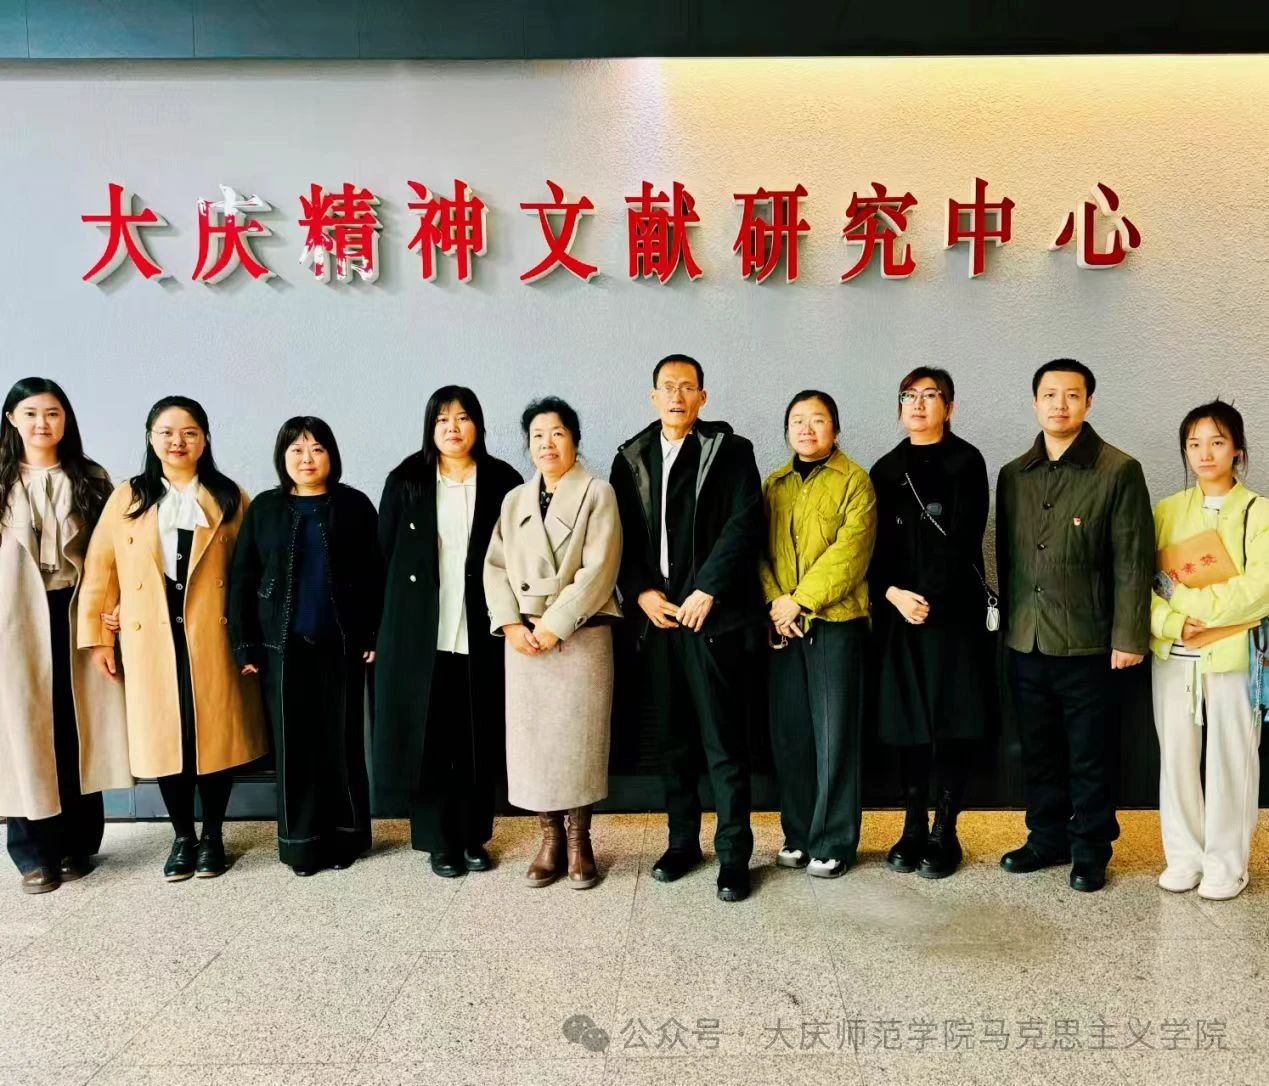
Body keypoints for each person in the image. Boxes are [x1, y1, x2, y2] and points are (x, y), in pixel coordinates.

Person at [78, 396, 266, 881]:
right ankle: (183, 836)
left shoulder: (228, 496)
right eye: (166, 432)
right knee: (166, 737)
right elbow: (102, 569)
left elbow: (250, 572)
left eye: (189, 432)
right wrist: (100, 637)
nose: (177, 442)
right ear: (150, 438)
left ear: (205, 439)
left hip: (212, 635)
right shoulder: (129, 496)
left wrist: (252, 637)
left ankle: (214, 835)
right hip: (149, 639)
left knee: (215, 737)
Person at [610, 354, 765, 903]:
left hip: (712, 618)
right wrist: (641, 592)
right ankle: (682, 844)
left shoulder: (731, 452)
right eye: (667, 387)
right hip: (659, 622)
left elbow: (745, 524)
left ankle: (733, 855)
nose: (677, 396)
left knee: (723, 742)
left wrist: (708, 589)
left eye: (688, 387)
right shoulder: (631, 458)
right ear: (653, 396)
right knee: (673, 742)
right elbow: (619, 536)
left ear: (703, 396)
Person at [995, 359, 1153, 893]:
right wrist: (1010, 629)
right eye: (1049, 394)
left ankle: (1090, 849)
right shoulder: (1014, 474)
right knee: (1038, 751)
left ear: (1089, 402)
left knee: (1091, 754)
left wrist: (1129, 637)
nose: (1059, 404)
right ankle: (1046, 838)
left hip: (1091, 643)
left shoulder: (1118, 470)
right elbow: (1010, 560)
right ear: (1035, 402)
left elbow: (1133, 561)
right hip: (1027, 639)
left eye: (1071, 394)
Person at [374, 387, 522, 878]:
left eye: (462, 418)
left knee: (476, 736)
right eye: (442, 419)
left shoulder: (503, 480)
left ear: (478, 424)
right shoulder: (407, 479)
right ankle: (438, 841)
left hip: (483, 627)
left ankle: (474, 836)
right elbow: (383, 557)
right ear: (429, 427)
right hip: (421, 633)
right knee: (430, 738)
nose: (452, 428)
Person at [229, 417, 383, 876]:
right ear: (283, 458)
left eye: (316, 449)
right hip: (283, 648)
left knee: (342, 744)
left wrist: (372, 634)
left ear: (331, 455)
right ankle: (301, 845)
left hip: (342, 644)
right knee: (294, 748)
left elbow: (376, 574)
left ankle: (346, 839)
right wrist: (246, 646)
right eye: (296, 450)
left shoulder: (354, 505)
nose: (307, 459)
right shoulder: (265, 508)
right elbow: (243, 578)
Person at [484, 397, 622, 888]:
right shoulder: (514, 500)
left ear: (575, 440)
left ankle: (580, 840)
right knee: (535, 744)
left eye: (557, 433)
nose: (547, 444)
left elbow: (600, 569)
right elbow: (495, 567)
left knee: (578, 741)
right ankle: (550, 839)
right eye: (537, 436)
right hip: (525, 640)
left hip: (580, 634)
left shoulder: (598, 493)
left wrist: (555, 623)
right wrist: (511, 625)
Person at [0, 378, 130, 894]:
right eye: (31, 413)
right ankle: (33, 853)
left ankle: (77, 843)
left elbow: (115, 553)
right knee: (24, 730)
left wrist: (114, 607)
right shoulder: (2, 478)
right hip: (14, 617)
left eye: (52, 413)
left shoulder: (91, 478)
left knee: (76, 726)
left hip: (75, 611)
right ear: (12, 418)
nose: (42, 423)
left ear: (66, 419)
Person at [869, 368, 995, 880]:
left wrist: (931, 600)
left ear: (950, 406)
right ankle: (912, 824)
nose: (918, 405)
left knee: (951, 722)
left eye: (929, 396)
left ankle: (946, 829)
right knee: (908, 724)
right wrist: (894, 594)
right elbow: (873, 548)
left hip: (952, 617)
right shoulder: (884, 469)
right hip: (900, 615)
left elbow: (965, 537)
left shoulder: (968, 461)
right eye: (909, 396)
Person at [1150, 400, 1269, 900]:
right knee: (1176, 758)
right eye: (1194, 444)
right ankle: (1184, 856)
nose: (1205, 453)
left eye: (1217, 442)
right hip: (1176, 654)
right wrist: (1173, 622)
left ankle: (1226, 864)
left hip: (1233, 654)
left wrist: (1188, 601)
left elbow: (1258, 590)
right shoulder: (1166, 511)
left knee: (1231, 757)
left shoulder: (1260, 512)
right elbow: (1142, 584)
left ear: (1237, 449)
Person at [760, 390, 876, 879]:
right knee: (792, 735)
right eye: (798, 421)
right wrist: (776, 601)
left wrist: (800, 600)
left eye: (818, 420)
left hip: (834, 622)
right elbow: (759, 551)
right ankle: (799, 834)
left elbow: (850, 554)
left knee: (835, 736)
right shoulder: (775, 483)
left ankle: (834, 840)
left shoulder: (855, 481)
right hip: (782, 625)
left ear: (836, 428)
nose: (806, 429)